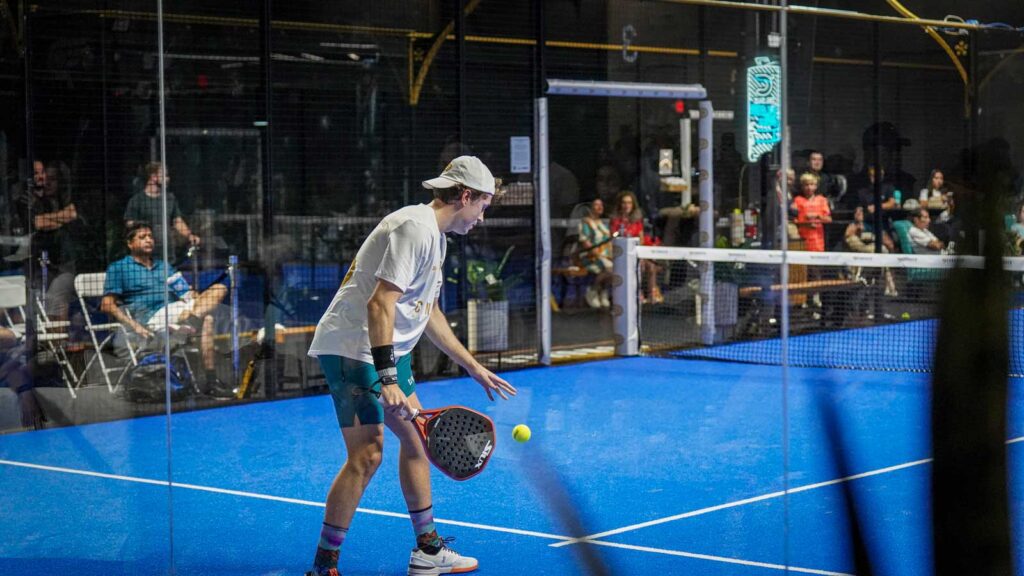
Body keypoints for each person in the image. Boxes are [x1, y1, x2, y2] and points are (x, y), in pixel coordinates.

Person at [305, 156, 517, 576]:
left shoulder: (435, 237)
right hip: (354, 348)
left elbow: (428, 311)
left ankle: (428, 550)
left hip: (384, 351)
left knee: (418, 442)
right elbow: (379, 303)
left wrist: (471, 364)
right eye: (483, 205)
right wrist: (386, 378)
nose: (482, 216)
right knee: (367, 455)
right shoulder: (414, 227)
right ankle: (323, 567)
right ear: (465, 195)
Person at [100, 222, 231, 397]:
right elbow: (107, 304)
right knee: (208, 320)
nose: (148, 240)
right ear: (130, 243)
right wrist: (135, 326)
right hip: (152, 317)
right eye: (142, 237)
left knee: (219, 289)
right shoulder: (119, 268)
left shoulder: (164, 266)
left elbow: (185, 292)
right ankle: (211, 380)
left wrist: (197, 299)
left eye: (150, 237)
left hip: (179, 309)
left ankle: (191, 323)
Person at [10, 160, 81, 323]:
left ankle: (57, 344)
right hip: (35, 262)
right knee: (29, 302)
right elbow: (39, 223)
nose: (43, 179)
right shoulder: (27, 199)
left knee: (57, 300)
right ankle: (25, 342)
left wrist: (53, 219)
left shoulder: (60, 198)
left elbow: (72, 214)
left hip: (61, 263)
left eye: (46, 175)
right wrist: (61, 218)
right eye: (38, 174)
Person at [124, 162, 200, 256]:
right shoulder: (137, 200)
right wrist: (144, 227)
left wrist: (189, 236)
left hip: (167, 253)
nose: (167, 179)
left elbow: (177, 221)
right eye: (164, 175)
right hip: (146, 255)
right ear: (153, 177)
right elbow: (129, 224)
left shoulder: (170, 198)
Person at [610, 191, 662, 304]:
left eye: (629, 203)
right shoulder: (615, 220)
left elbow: (641, 238)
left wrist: (641, 256)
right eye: (624, 203)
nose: (626, 206)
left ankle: (652, 293)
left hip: (637, 253)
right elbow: (613, 238)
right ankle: (637, 293)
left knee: (651, 266)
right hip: (622, 255)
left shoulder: (637, 221)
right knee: (638, 268)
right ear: (620, 204)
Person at [844, 206, 898, 297]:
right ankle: (890, 285)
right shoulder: (851, 226)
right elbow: (848, 238)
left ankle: (889, 286)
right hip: (860, 256)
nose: (859, 215)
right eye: (857, 213)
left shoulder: (868, 226)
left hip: (873, 256)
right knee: (883, 250)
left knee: (884, 250)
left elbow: (882, 237)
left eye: (861, 213)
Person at [577, 198, 613, 309]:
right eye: (596, 205)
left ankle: (602, 292)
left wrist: (611, 255)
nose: (600, 207)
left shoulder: (603, 224)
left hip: (606, 256)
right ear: (590, 208)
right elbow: (586, 243)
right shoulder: (585, 222)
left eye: (601, 205)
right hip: (590, 256)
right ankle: (593, 290)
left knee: (616, 266)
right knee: (609, 268)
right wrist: (599, 255)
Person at [791, 173, 832, 252]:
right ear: (802, 187)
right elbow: (794, 220)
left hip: (818, 240)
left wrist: (818, 216)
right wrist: (806, 221)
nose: (809, 188)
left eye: (812, 184)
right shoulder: (797, 200)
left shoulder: (822, 200)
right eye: (806, 185)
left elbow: (829, 219)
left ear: (816, 186)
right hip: (803, 239)